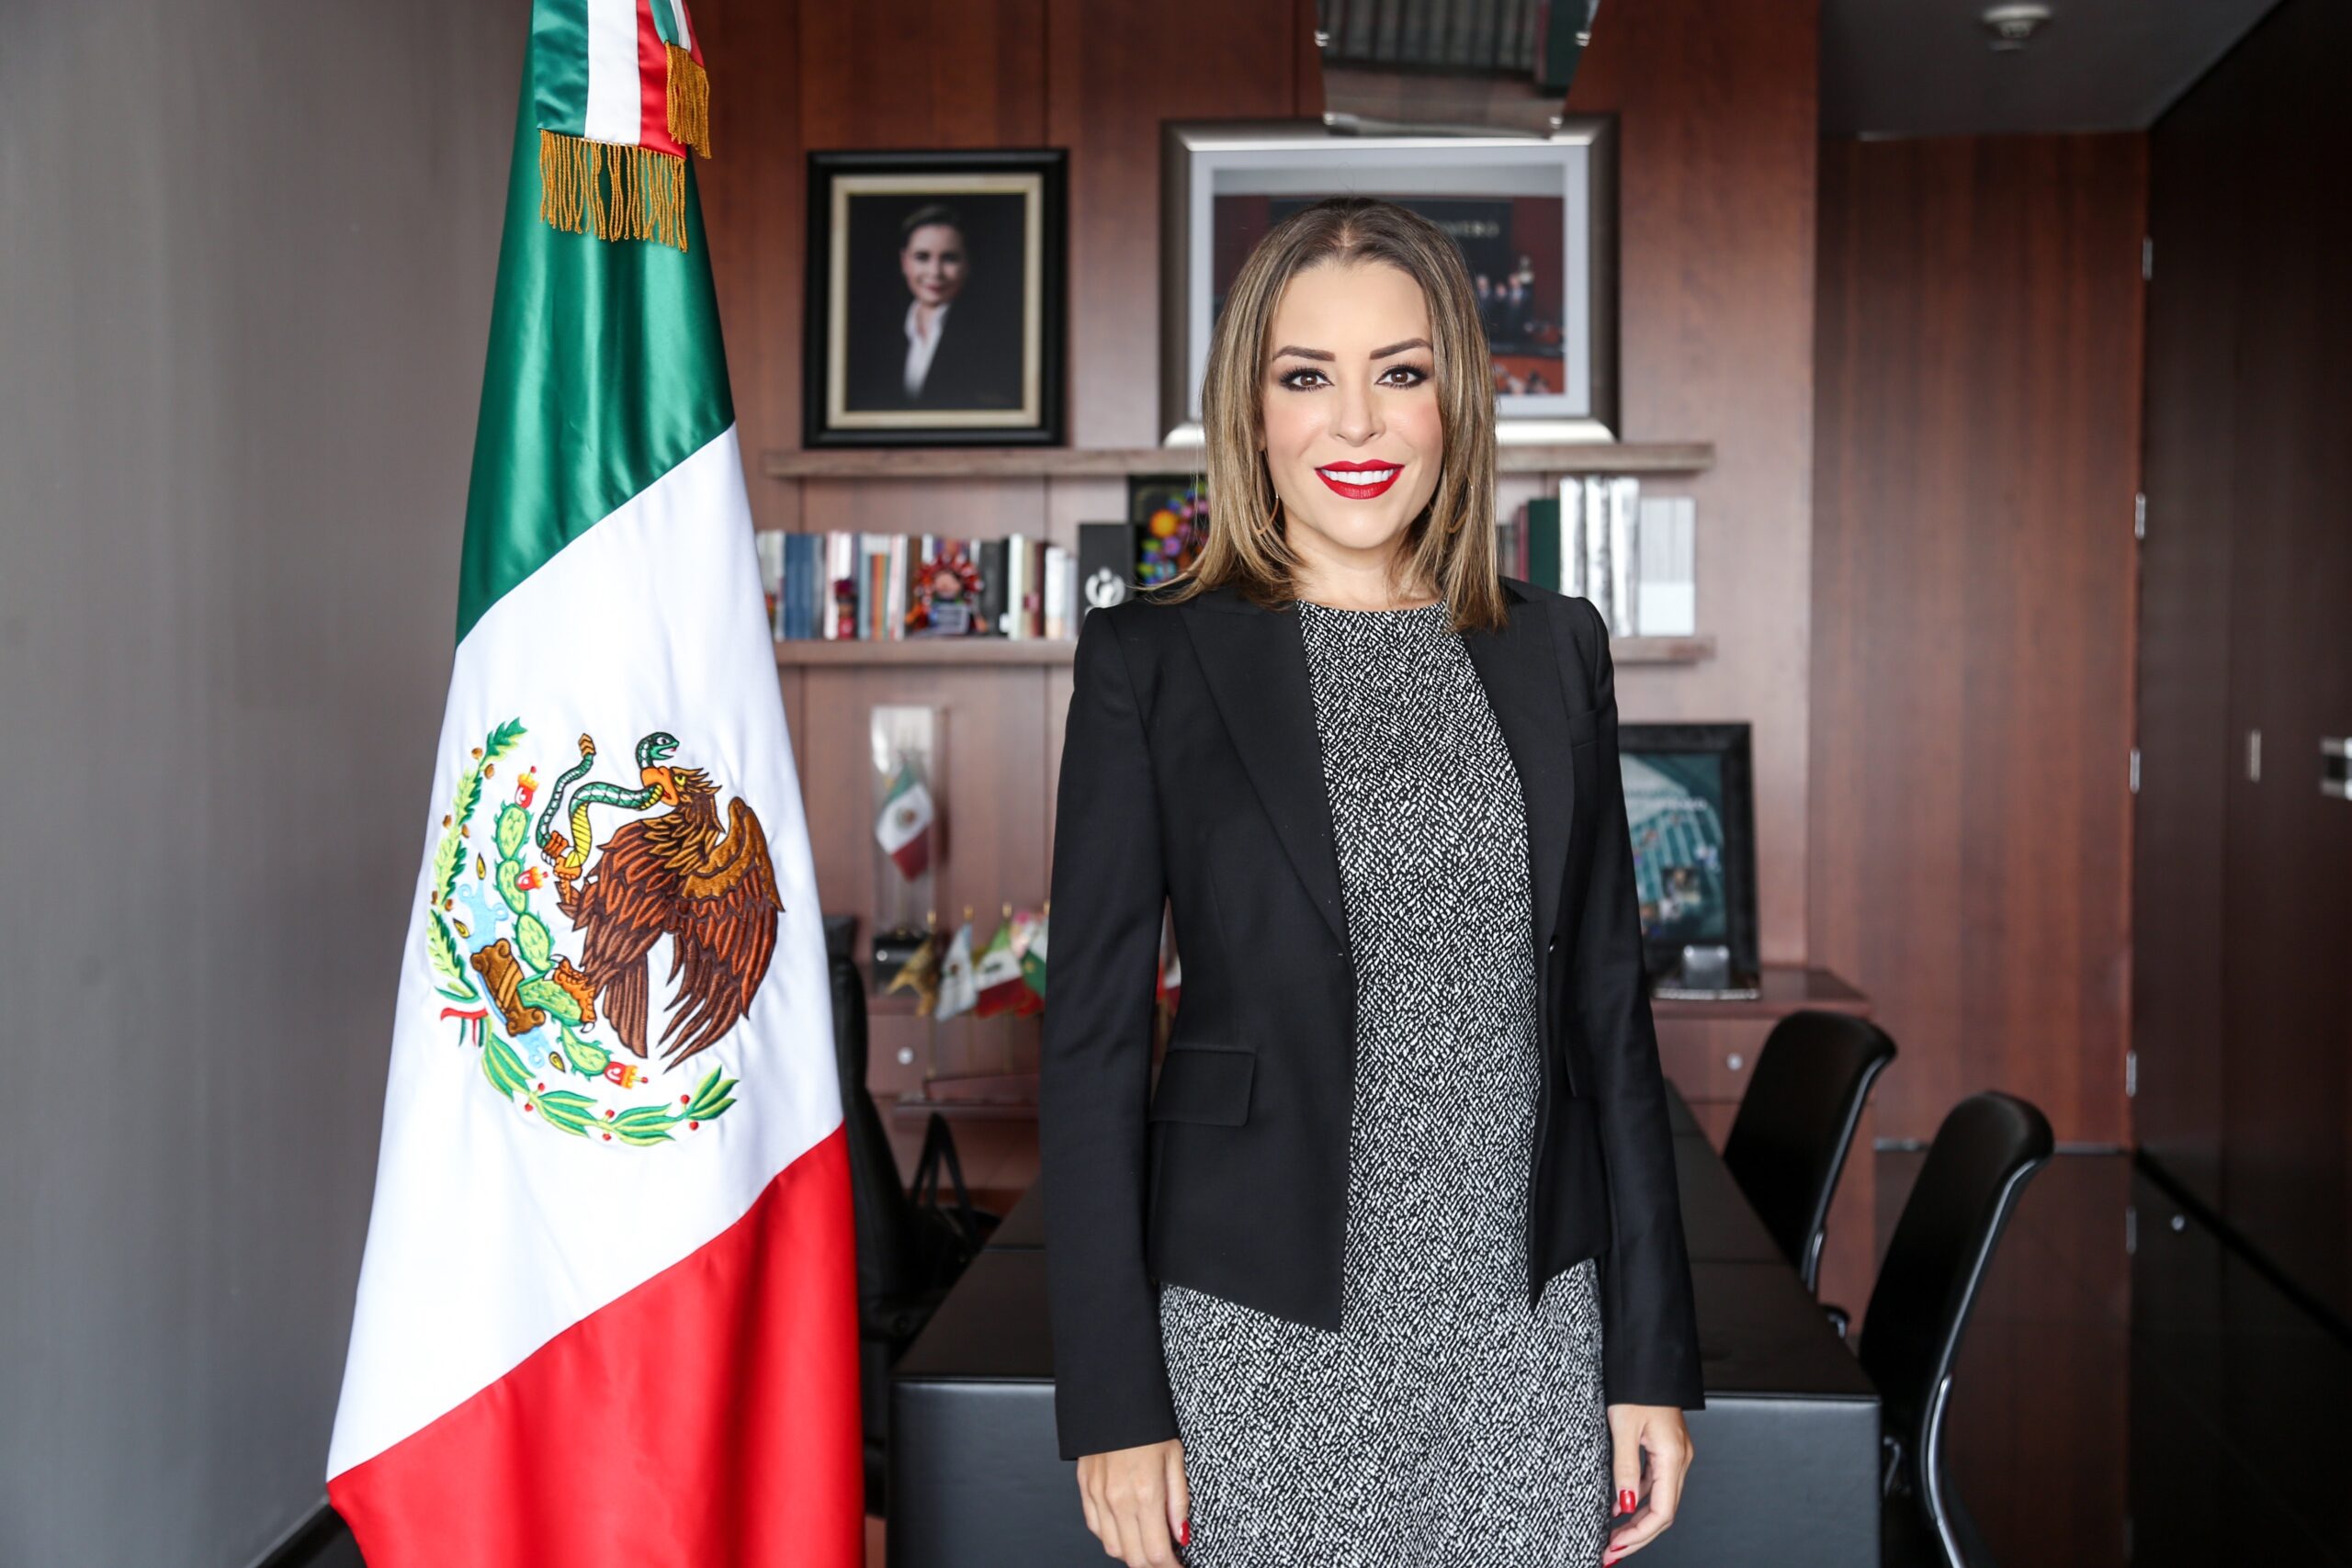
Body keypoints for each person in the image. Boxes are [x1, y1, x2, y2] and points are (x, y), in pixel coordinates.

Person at [1038, 194, 1702, 1568]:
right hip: (1259, 1330)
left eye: (1399, 373)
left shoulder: (1556, 648)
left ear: (1455, 402)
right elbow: (1091, 1049)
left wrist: (1652, 1357)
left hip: (1525, 1332)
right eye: (1306, 378)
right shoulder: (1149, 662)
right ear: (1251, 411)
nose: (1355, 425)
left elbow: (1610, 1029)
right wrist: (1111, 1398)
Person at [844, 201, 1019, 412]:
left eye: (949, 258)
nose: (935, 272)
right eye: (922, 257)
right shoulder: (872, 334)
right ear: (904, 262)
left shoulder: (994, 337)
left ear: (967, 264)